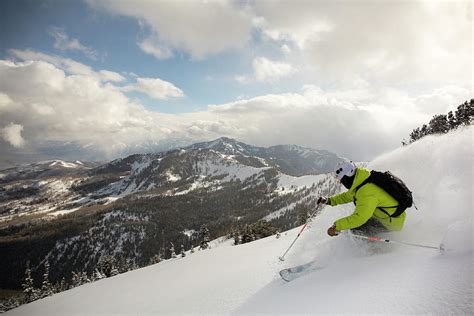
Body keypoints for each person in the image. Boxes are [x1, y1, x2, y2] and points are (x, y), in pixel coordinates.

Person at [318, 161, 406, 237]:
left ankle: (374, 253)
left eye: (341, 180)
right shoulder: (361, 181)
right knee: (355, 226)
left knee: (356, 230)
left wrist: (336, 227)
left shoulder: (366, 192)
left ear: (347, 177)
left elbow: (359, 218)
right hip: (386, 216)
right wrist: (329, 201)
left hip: (391, 222)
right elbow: (347, 196)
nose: (341, 183)